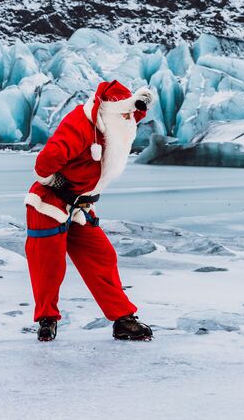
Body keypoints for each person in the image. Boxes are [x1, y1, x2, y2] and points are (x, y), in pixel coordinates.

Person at [24, 80, 155, 342]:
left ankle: (122, 320)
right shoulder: (81, 126)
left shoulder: (115, 122)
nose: (131, 118)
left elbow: (129, 114)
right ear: (110, 111)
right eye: (127, 113)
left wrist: (143, 102)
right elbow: (44, 163)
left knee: (102, 257)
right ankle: (47, 321)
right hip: (49, 204)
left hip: (80, 207)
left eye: (131, 114)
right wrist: (53, 181)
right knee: (48, 265)